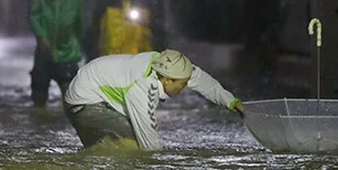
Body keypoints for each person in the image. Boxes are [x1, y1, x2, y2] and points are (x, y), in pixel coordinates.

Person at [63, 49, 244, 150]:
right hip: (83, 104)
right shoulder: (142, 88)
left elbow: (203, 81)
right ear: (166, 80)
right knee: (132, 146)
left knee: (119, 145)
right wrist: (160, 169)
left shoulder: (168, 64)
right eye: (182, 85)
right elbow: (149, 139)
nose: (185, 88)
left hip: (101, 95)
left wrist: (231, 102)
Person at [29, 0, 86, 107]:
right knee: (38, 94)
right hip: (44, 52)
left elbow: (80, 20)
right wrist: (41, 36)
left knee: (73, 99)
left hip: (68, 52)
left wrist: (78, 44)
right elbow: (34, 16)